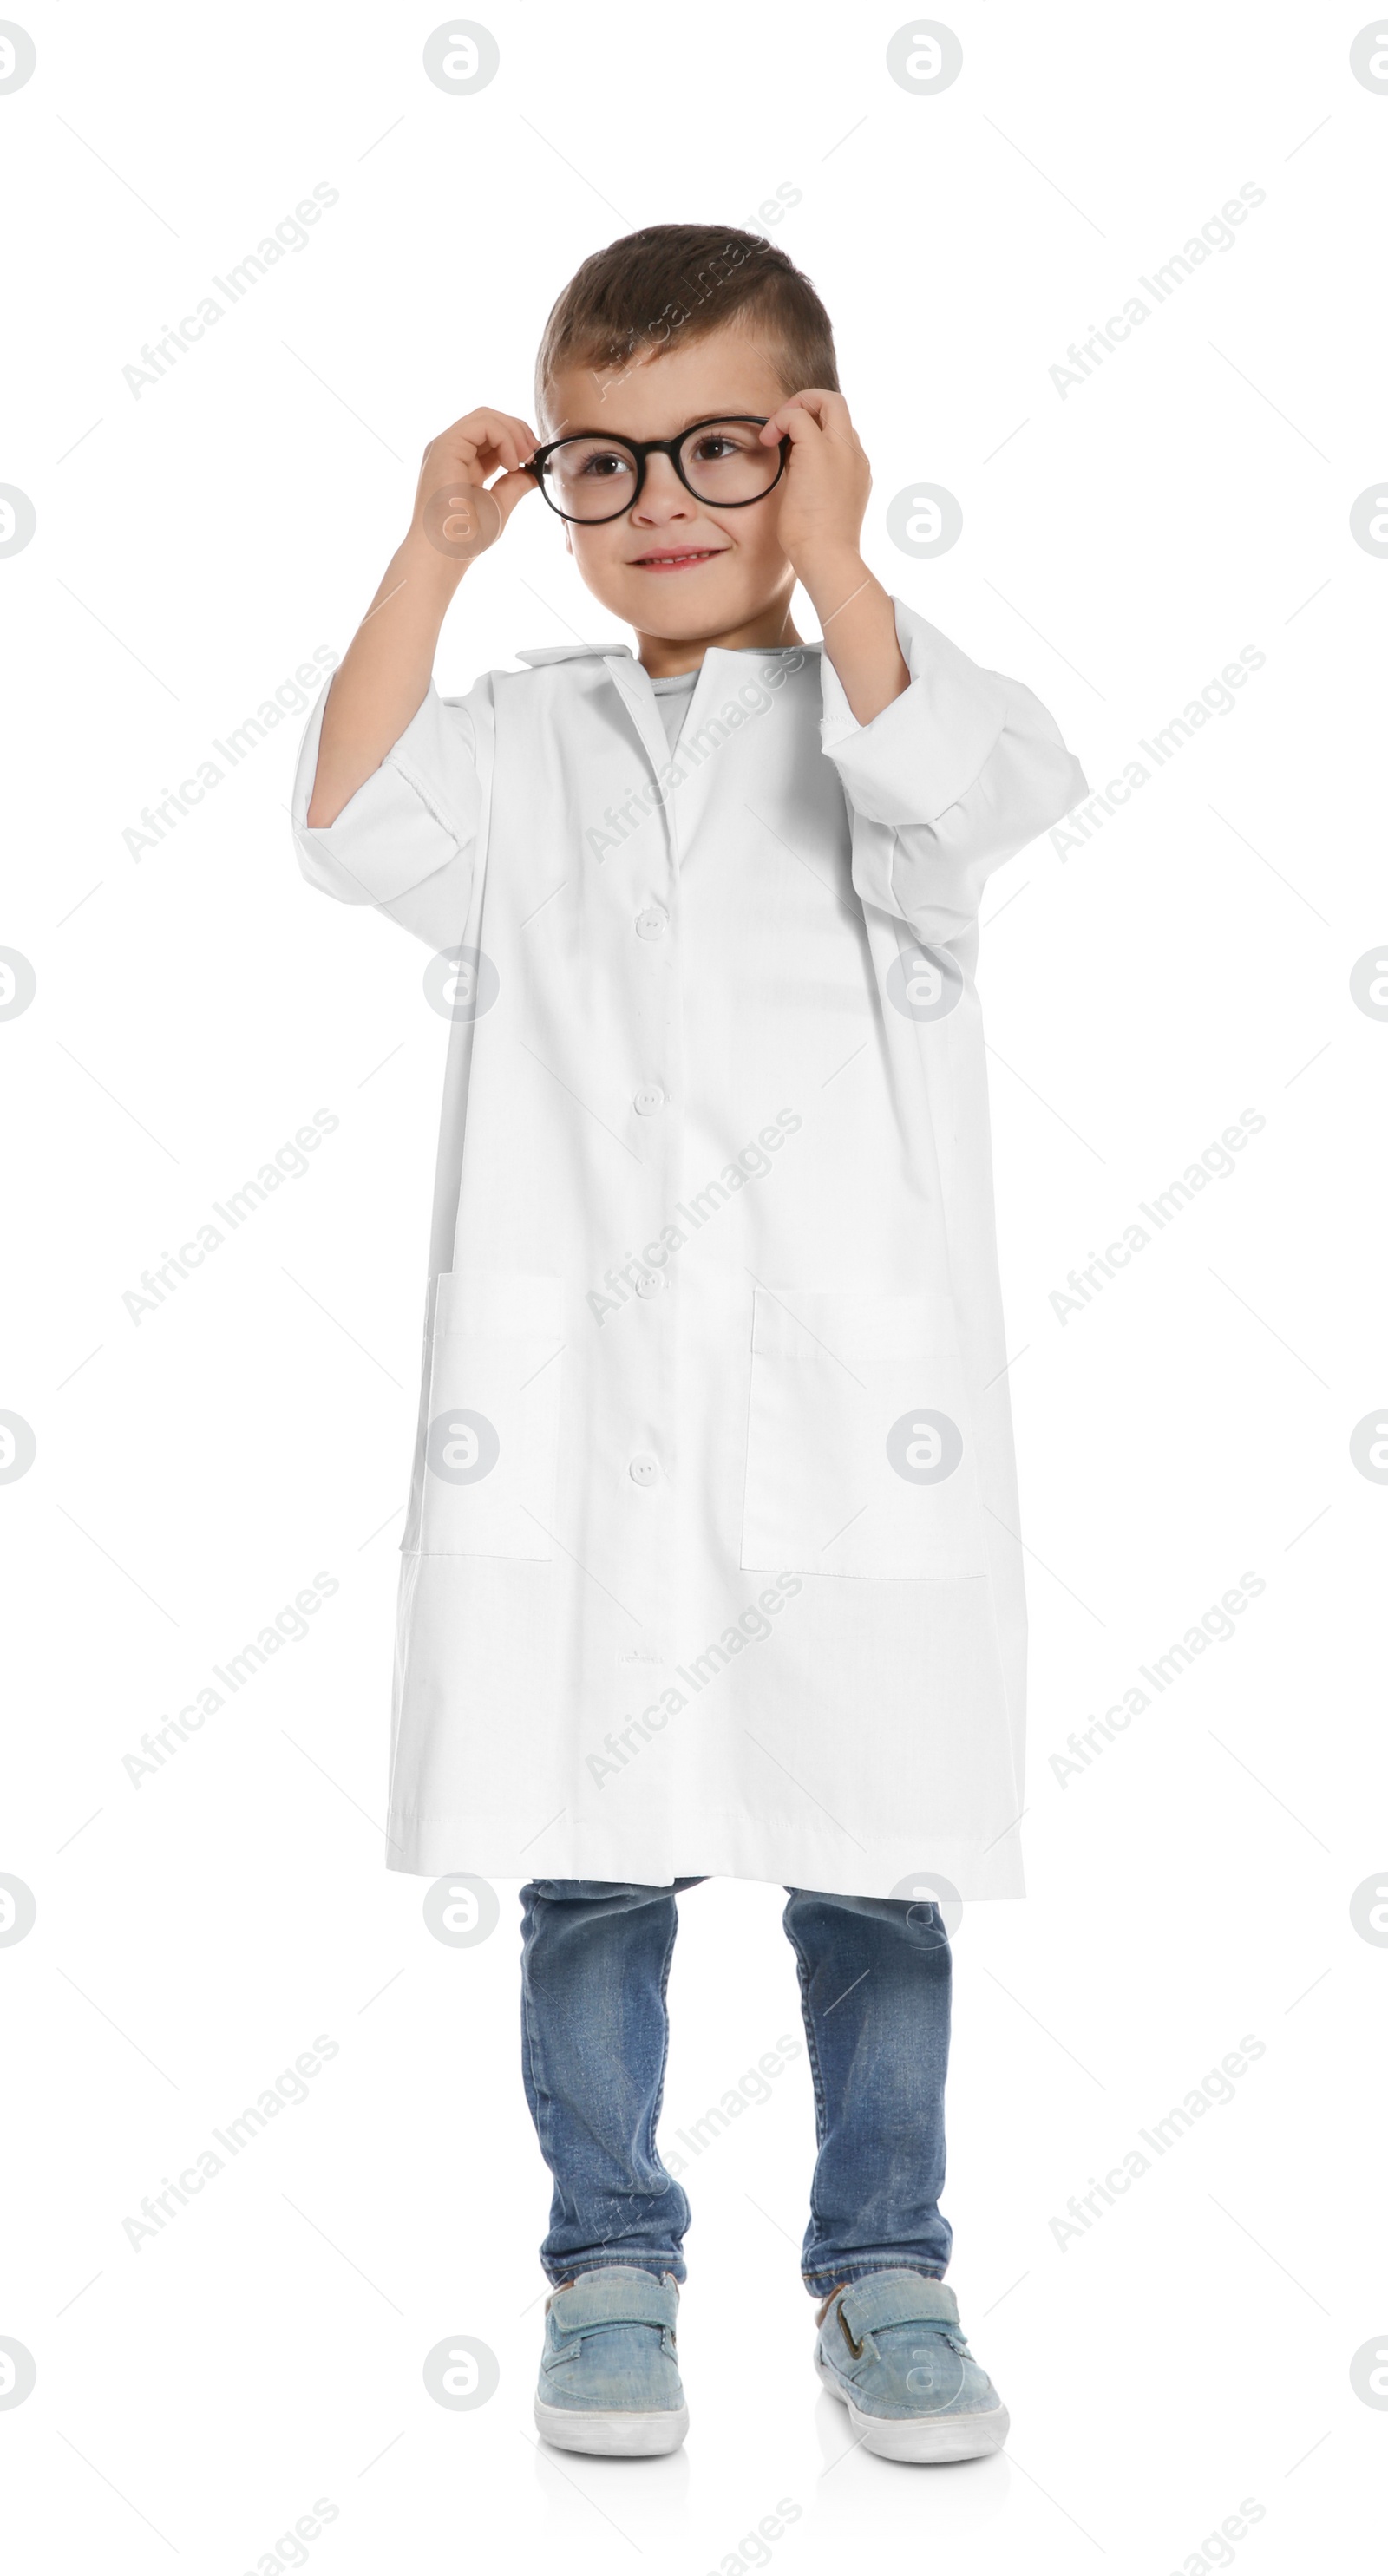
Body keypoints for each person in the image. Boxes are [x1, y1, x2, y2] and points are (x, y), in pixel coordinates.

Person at [291, 223, 1087, 2464]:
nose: (660, 504)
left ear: (815, 443)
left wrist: (839, 570)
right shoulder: (527, 739)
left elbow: (957, 802)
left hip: (856, 1414)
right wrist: (432, 557)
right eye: (603, 462)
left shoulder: (909, 702)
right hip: (589, 1408)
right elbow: (347, 821)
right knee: (586, 1849)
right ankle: (611, 2260)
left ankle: (886, 2269)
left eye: (722, 449)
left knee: (876, 1849)